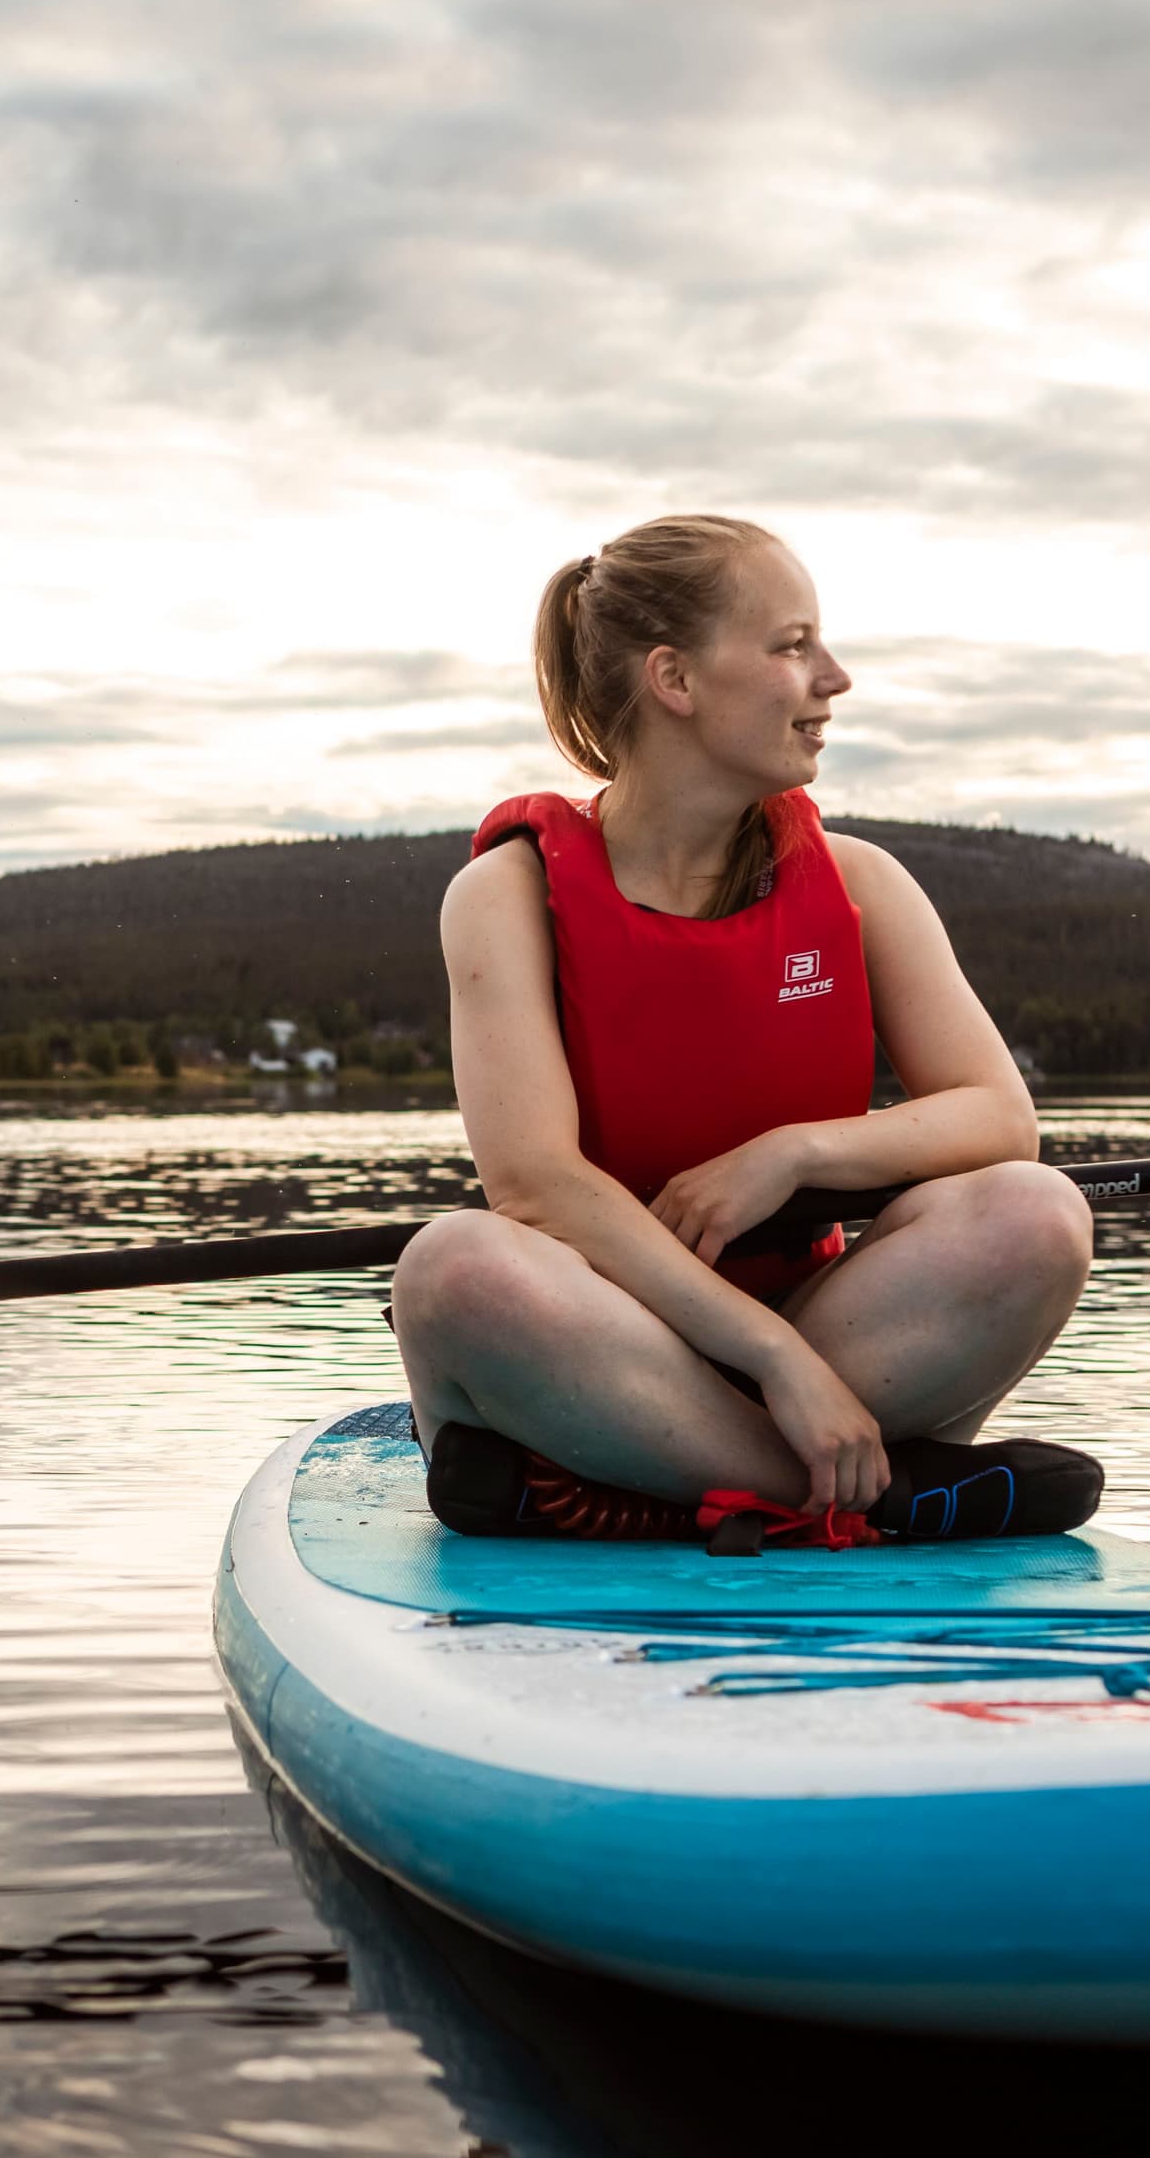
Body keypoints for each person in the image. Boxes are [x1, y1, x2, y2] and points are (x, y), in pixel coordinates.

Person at [391, 516, 1099, 1546]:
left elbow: (1001, 1121)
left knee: (1036, 1214)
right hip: (609, 1342)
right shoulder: (506, 896)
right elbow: (536, 1186)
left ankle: (611, 1490)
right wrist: (778, 1361)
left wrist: (793, 1154)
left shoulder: (863, 885)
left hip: (822, 1332)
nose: (836, 677)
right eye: (792, 645)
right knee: (454, 1270)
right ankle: (881, 1492)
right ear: (675, 680)